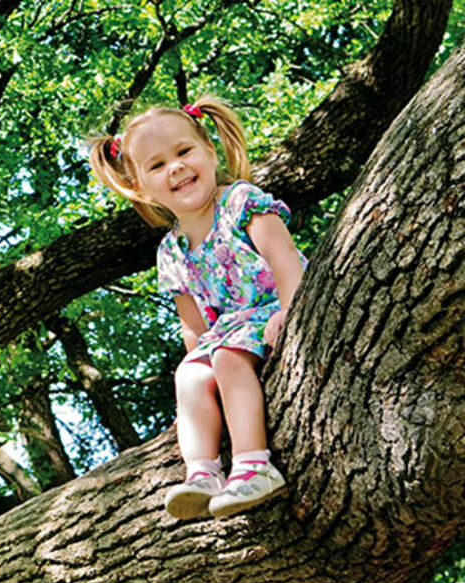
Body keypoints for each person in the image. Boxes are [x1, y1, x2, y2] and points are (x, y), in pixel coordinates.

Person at [89, 95, 306, 519]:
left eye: (184, 151)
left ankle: (254, 466)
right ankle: (202, 472)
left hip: (272, 307)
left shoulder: (242, 203)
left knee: (226, 359)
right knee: (189, 373)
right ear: (139, 185)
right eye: (157, 165)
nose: (176, 167)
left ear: (208, 149)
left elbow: (286, 264)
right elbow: (194, 331)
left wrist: (291, 312)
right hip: (231, 331)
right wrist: (199, 400)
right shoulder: (170, 251)